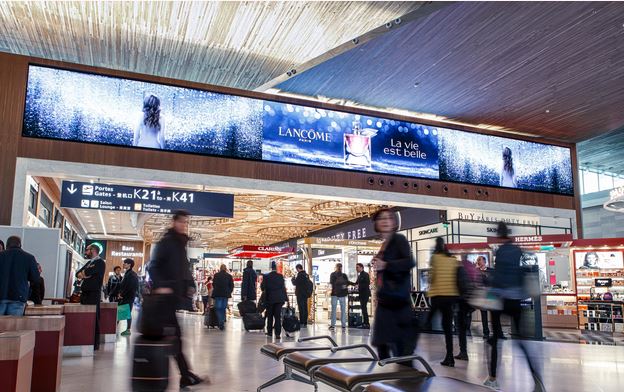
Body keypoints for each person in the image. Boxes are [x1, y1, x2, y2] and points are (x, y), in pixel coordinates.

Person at [484, 222, 545, 391]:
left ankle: (493, 378)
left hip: (500, 300)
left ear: (498, 234)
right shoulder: (517, 250)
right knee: (521, 340)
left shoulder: (500, 251)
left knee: (495, 339)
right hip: (516, 300)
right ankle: (536, 378)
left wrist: (490, 294)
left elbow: (497, 279)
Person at [149, 210, 204, 388]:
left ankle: (184, 374)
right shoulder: (167, 242)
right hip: (164, 299)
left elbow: (183, 268)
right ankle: (183, 374)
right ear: (174, 222)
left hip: (172, 298)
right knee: (173, 337)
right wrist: (161, 285)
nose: (184, 225)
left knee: (174, 337)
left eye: (186, 223)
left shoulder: (180, 244)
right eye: (181, 222)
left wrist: (190, 284)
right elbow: (154, 266)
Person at [371, 209, 417, 366]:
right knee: (382, 347)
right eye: (381, 218)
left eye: (389, 218)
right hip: (385, 305)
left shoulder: (399, 239)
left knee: (401, 352)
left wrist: (386, 264)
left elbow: (410, 262)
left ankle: (405, 382)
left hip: (397, 306)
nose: (385, 221)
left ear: (394, 223)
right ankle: (390, 383)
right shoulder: (384, 245)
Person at [428, 237, 461, 367]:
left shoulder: (435, 257)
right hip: (451, 296)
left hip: (438, 295)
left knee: (427, 321)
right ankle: (450, 356)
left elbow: (431, 278)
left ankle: (411, 347)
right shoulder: (453, 259)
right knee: (448, 327)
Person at [0, 236, 40, 315]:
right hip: (19, 297)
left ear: (7, 245)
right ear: (20, 245)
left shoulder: (1, 255)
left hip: (1, 296)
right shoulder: (29, 258)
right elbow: (35, 279)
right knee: (14, 325)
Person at [76, 243, 106, 350]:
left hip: (93, 294)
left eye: (87, 250)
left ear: (93, 250)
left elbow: (88, 272)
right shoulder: (89, 262)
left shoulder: (100, 262)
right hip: (85, 294)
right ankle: (85, 340)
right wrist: (85, 274)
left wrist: (85, 274)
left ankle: (94, 343)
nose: (85, 252)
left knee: (94, 318)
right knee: (85, 317)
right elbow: (78, 273)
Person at [261, 261, 287, 339]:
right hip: (279, 299)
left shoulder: (266, 276)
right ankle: (278, 334)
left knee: (270, 316)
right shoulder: (280, 276)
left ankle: (269, 332)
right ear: (276, 268)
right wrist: (286, 298)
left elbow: (263, 288)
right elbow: (283, 288)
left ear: (270, 268)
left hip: (270, 299)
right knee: (278, 316)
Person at [116, 258, 139, 336]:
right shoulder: (128, 273)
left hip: (128, 297)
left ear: (129, 264)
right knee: (122, 312)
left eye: (125, 263)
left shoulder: (132, 274)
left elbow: (130, 287)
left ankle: (128, 330)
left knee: (126, 312)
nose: (123, 264)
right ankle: (115, 328)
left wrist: (122, 294)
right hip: (126, 296)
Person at [212, 264, 234, 331]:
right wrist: (229, 292)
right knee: (223, 308)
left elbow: (214, 284)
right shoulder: (229, 276)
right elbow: (231, 285)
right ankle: (222, 322)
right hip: (225, 295)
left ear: (220, 268)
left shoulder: (216, 275)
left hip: (218, 294)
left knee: (218, 308)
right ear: (226, 268)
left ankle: (221, 322)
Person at [350, 263, 371, 328]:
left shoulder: (366, 274)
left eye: (357, 267)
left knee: (364, 308)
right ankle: (364, 322)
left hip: (365, 294)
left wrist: (359, 286)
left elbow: (367, 284)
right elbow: (356, 283)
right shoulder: (359, 275)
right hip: (361, 294)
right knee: (363, 308)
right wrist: (348, 282)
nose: (356, 269)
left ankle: (366, 324)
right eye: (356, 267)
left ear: (362, 267)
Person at [329, 263, 349, 330]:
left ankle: (333, 325)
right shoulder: (344, 275)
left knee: (333, 310)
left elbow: (331, 283)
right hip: (342, 295)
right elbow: (347, 284)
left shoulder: (332, 274)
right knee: (343, 309)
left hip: (334, 294)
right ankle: (343, 325)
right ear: (341, 267)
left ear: (335, 267)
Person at [475, 256, 492, 338]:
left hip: (490, 294)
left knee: (494, 313)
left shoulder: (491, 270)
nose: (478, 262)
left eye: (480, 260)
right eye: (478, 260)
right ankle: (486, 332)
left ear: (484, 261)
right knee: (483, 314)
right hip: (482, 295)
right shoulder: (476, 271)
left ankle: (498, 332)